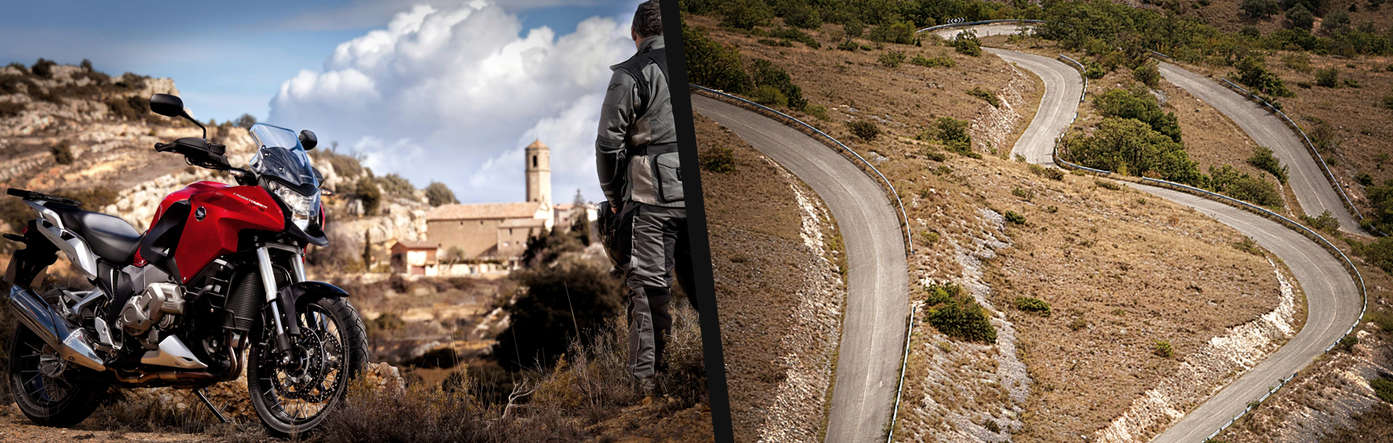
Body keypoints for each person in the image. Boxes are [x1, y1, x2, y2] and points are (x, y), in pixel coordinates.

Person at [594, 0, 695, 396]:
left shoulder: (633, 74)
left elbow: (607, 143)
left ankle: (650, 387)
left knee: (650, 288)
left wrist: (614, 196)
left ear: (635, 34)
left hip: (652, 197)